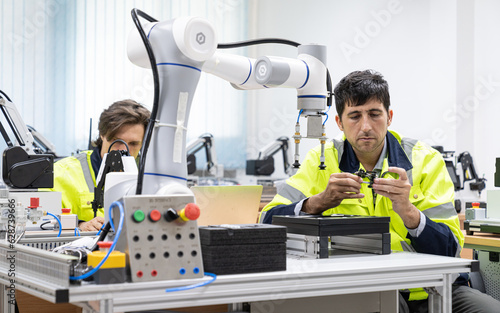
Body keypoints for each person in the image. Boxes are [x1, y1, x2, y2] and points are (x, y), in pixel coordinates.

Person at [259, 70, 500, 312]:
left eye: (375, 114)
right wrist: (317, 202)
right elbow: (267, 222)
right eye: (354, 116)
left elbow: (451, 250)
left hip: (441, 287)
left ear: (389, 117)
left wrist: (410, 214)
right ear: (339, 123)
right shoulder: (320, 161)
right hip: (368, 288)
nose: (365, 126)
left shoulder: (426, 160)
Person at [48, 99, 150, 231]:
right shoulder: (60, 174)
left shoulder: (151, 176)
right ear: (102, 134)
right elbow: (45, 222)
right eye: (116, 141)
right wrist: (80, 225)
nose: (123, 150)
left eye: (134, 144)